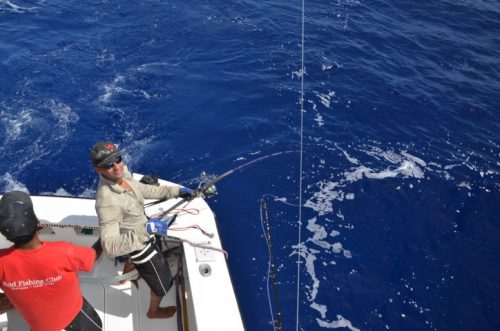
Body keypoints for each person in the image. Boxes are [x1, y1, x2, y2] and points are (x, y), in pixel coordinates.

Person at [90, 141, 195, 319]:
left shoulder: (123, 174)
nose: (116, 167)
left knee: (132, 261)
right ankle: (153, 311)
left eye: (118, 160)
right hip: (139, 246)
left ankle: (125, 278)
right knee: (163, 283)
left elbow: (143, 189)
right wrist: (146, 230)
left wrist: (176, 191)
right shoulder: (106, 201)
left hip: (140, 231)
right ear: (98, 170)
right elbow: (110, 247)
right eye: (108, 165)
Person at [0, 191, 103, 331]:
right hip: (74, 314)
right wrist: (105, 236)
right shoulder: (64, 252)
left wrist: (13, 296)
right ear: (38, 223)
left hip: (41, 326)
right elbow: (92, 256)